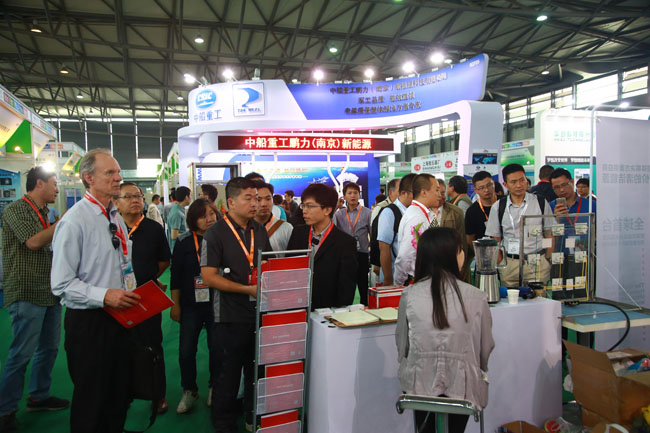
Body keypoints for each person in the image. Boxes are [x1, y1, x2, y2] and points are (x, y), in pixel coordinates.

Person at [51, 148, 142, 433]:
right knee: (92, 398)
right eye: (110, 173)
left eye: (118, 172)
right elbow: (61, 284)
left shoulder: (114, 216)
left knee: (119, 392)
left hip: (120, 316)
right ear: (89, 178)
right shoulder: (74, 221)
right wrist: (104, 295)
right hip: (90, 322)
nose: (118, 178)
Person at [396, 228, 494, 433]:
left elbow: (402, 345)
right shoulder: (477, 296)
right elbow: (485, 349)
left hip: (419, 385)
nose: (464, 254)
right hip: (463, 387)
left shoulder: (409, 295)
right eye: (460, 250)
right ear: (452, 255)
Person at [0, 167, 68, 433]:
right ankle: (5, 410)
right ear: (39, 183)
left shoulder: (45, 212)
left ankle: (39, 396)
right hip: (26, 291)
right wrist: (63, 223)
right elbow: (33, 242)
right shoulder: (17, 209)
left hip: (49, 291)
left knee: (49, 348)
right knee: (21, 354)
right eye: (54, 184)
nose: (57, 190)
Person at [200, 177, 271, 433]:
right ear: (230, 202)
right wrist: (247, 289)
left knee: (255, 372)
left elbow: (268, 263)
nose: (255, 204)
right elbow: (208, 277)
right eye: (248, 198)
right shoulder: (215, 233)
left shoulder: (259, 230)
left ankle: (252, 417)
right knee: (228, 375)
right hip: (228, 317)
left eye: (258, 199)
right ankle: (224, 424)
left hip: (257, 313)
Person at [115, 182, 171, 414]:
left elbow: (164, 260)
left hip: (146, 297)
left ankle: (157, 395)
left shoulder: (153, 228)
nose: (135, 200)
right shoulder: (110, 227)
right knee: (119, 348)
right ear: (116, 203)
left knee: (152, 346)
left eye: (138, 196)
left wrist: (147, 279)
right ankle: (122, 394)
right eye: (128, 196)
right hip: (115, 299)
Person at [170, 199, 218, 413]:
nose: (209, 219)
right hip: (190, 305)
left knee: (217, 348)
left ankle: (214, 387)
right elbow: (176, 275)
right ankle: (189, 390)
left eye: (212, 214)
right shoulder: (184, 242)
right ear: (193, 219)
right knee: (186, 350)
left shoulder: (222, 239)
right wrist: (175, 305)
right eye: (202, 216)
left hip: (217, 303)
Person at [287, 184, 357, 309]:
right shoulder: (298, 233)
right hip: (297, 306)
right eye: (303, 205)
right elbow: (288, 269)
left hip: (327, 311)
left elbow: (346, 288)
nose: (304, 211)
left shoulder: (345, 242)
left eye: (310, 206)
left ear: (327, 210)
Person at [485, 164, 554, 287]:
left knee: (539, 297)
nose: (519, 185)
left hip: (537, 261)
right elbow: (495, 238)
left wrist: (548, 258)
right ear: (505, 184)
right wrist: (501, 262)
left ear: (526, 180)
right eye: (513, 182)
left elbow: (549, 232)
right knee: (511, 298)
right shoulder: (498, 207)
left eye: (522, 180)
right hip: (510, 263)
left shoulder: (540, 202)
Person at [393, 174, 442, 286]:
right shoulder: (417, 217)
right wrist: (399, 283)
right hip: (414, 281)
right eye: (436, 190)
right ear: (424, 192)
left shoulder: (421, 213)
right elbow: (405, 256)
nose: (439, 194)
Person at [334, 182, 372, 305]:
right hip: (345, 255)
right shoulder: (339, 214)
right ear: (344, 196)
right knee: (346, 284)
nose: (353, 195)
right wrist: (336, 207)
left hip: (362, 253)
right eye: (349, 193)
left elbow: (372, 234)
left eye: (355, 193)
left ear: (359, 195)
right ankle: (346, 307)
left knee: (363, 284)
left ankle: (365, 306)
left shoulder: (367, 213)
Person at [376, 173, 416, 286]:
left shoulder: (414, 212)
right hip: (395, 277)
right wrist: (388, 279)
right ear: (404, 193)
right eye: (416, 193)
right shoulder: (389, 212)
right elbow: (384, 247)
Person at [430, 182, 471, 284]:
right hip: (430, 265)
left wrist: (461, 269)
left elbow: (463, 242)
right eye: (437, 192)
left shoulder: (456, 212)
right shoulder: (422, 212)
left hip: (452, 265)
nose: (440, 196)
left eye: (443, 193)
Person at [253, 181, 293, 251]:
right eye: (258, 199)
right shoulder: (243, 228)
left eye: (268, 199)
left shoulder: (286, 228)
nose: (264, 204)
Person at [465, 171, 497, 249]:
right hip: (483, 251)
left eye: (489, 185)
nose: (486, 190)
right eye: (481, 188)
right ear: (476, 190)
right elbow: (470, 238)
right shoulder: (472, 211)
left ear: (494, 184)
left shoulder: (504, 203)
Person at [167, 186, 191, 251]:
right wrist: (189, 234)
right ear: (186, 197)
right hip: (178, 249)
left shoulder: (178, 210)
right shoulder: (177, 213)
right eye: (190, 196)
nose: (190, 198)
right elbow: (174, 236)